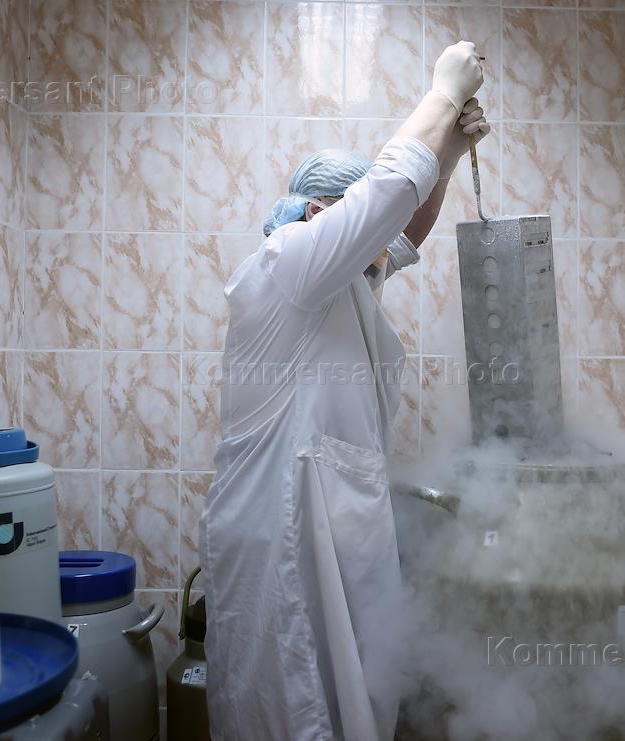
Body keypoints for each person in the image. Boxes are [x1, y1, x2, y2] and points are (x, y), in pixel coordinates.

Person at [198, 41, 490, 741]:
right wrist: (442, 94)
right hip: (281, 536)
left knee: (349, 703)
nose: (374, 245)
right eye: (355, 222)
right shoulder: (289, 263)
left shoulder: (344, 282)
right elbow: (387, 195)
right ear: (318, 212)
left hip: (328, 530)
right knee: (288, 707)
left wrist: (448, 155)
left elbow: (401, 229)